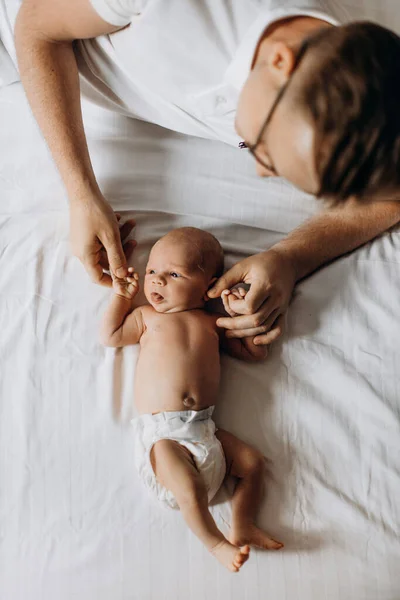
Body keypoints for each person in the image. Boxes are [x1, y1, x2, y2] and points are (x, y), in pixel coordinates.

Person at [13, 0, 400, 350]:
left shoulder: (363, 98)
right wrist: (81, 192)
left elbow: (392, 198)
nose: (261, 171)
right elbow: (35, 27)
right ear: (281, 61)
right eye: (266, 149)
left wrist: (291, 258)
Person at [100, 227, 283, 572]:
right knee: (188, 487)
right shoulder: (146, 318)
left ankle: (243, 524)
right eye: (152, 271)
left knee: (253, 464)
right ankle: (215, 543)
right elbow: (110, 335)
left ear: (208, 286)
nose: (156, 282)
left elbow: (252, 355)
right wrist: (122, 297)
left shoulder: (214, 322)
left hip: (205, 430)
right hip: (164, 437)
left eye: (173, 274)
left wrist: (251, 325)